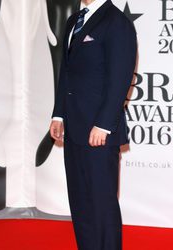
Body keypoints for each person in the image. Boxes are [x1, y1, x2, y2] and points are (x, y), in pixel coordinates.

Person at [50, 0, 137, 249]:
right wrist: (59, 115)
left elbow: (120, 78)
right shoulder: (73, 21)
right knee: (80, 201)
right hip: (74, 128)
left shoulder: (117, 22)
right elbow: (65, 73)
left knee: (101, 202)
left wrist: (104, 124)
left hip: (99, 131)